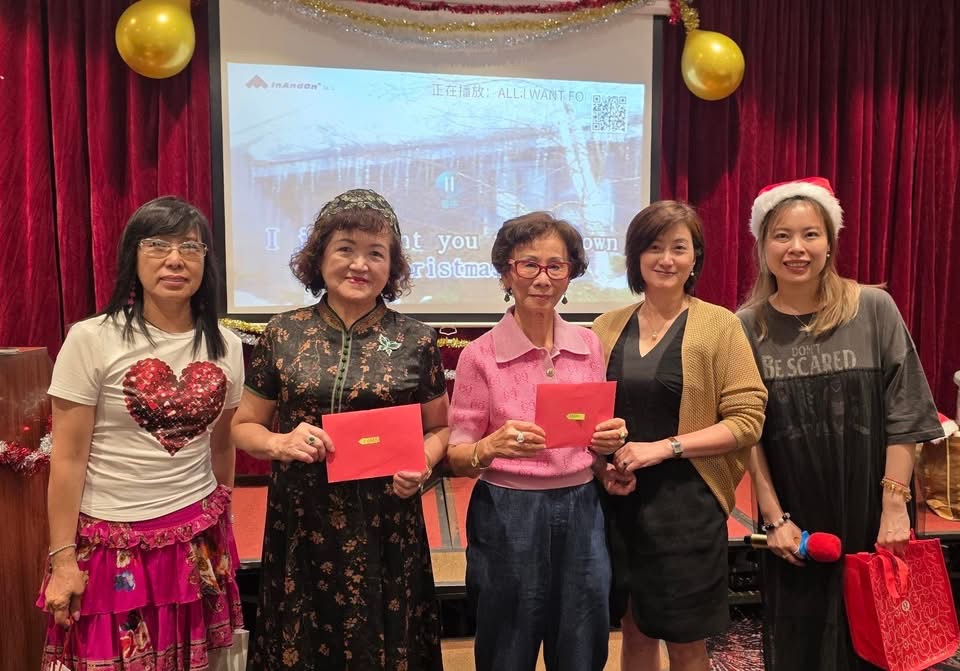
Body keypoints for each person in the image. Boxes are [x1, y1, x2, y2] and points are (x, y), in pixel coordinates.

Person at [232, 189, 449, 670]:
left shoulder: (416, 339)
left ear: (392, 266)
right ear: (320, 256)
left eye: (376, 253)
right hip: (302, 520)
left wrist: (423, 460)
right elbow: (243, 426)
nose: (360, 264)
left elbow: (439, 428)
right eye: (345, 248)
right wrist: (279, 441)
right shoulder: (282, 333)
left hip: (387, 521)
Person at [737, 177, 943, 670]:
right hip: (795, 522)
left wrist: (894, 507)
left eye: (810, 234)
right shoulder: (745, 325)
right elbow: (748, 433)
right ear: (762, 246)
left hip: (871, 508)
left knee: (877, 643)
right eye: (781, 235)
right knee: (803, 644)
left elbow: (906, 410)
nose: (797, 248)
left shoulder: (873, 308)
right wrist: (774, 519)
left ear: (830, 243)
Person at [38, 196, 245, 670]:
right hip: (111, 545)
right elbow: (67, 458)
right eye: (157, 245)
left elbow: (222, 444)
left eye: (190, 247)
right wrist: (63, 559)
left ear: (206, 261)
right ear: (133, 256)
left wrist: (225, 523)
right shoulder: (91, 338)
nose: (175, 259)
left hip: (197, 540)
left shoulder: (227, 345)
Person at [591, 200, 767, 671]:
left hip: (687, 505)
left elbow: (747, 420)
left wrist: (665, 448)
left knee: (686, 642)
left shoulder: (720, 325)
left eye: (678, 248)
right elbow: (589, 418)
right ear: (635, 256)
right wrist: (603, 467)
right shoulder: (605, 327)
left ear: (695, 258)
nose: (665, 259)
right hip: (620, 500)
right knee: (633, 629)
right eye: (653, 247)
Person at [446, 211, 626, 671]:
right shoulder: (479, 355)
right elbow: (457, 455)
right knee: (507, 645)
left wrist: (609, 446)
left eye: (556, 266)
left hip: (583, 509)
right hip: (508, 511)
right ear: (507, 272)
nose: (542, 279)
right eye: (529, 264)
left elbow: (592, 439)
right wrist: (490, 447)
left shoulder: (589, 345)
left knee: (583, 644)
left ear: (570, 273)